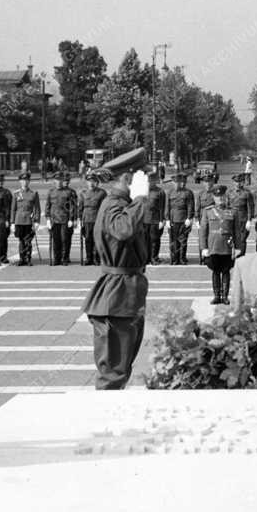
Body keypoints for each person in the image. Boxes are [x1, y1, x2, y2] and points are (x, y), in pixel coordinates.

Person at [81, 148, 151, 390]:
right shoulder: (113, 205)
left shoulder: (123, 204)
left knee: (122, 368)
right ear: (128, 178)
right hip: (116, 295)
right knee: (113, 373)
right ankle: (104, 424)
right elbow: (123, 230)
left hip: (126, 292)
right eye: (143, 177)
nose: (148, 183)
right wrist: (141, 199)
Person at [200, 182, 239, 304]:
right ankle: (217, 296)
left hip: (227, 247)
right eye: (217, 197)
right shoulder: (208, 211)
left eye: (222, 196)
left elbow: (237, 231)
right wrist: (204, 247)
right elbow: (203, 231)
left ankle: (225, 296)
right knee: (215, 271)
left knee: (226, 271)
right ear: (214, 198)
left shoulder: (233, 212)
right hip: (213, 246)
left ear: (225, 197)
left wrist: (238, 247)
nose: (220, 199)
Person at [11, 171, 41, 266]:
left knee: (28, 241)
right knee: (21, 240)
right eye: (23, 180)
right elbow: (13, 209)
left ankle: (28, 258)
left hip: (29, 221)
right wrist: (12, 222)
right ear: (20, 181)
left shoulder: (33, 194)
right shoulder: (16, 194)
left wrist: (36, 221)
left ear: (29, 182)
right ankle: (21, 258)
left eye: (27, 180)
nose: (25, 182)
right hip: (19, 220)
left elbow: (37, 209)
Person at [47, 173, 77, 266]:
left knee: (65, 239)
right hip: (54, 220)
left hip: (65, 219)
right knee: (56, 240)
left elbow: (72, 206)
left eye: (60, 180)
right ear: (54, 181)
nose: (59, 182)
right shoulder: (50, 192)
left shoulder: (68, 192)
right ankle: (57, 259)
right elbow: (48, 206)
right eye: (56, 180)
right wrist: (48, 219)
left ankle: (64, 259)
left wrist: (71, 219)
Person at [165, 172, 195, 265]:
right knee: (173, 241)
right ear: (173, 183)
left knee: (183, 240)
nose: (178, 184)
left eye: (180, 182)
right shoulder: (169, 192)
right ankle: (174, 259)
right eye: (176, 182)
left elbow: (190, 206)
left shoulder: (188, 192)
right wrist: (167, 219)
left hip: (183, 219)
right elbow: (167, 206)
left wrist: (189, 218)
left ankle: (182, 258)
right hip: (173, 219)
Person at [78, 174, 106, 265]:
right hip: (87, 219)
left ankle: (96, 258)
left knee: (97, 239)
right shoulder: (83, 193)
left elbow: (104, 207)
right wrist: (79, 220)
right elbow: (80, 208)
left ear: (97, 182)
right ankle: (88, 257)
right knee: (88, 239)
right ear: (87, 182)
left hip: (97, 219)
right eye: (89, 181)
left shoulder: (102, 193)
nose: (91, 183)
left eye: (93, 181)